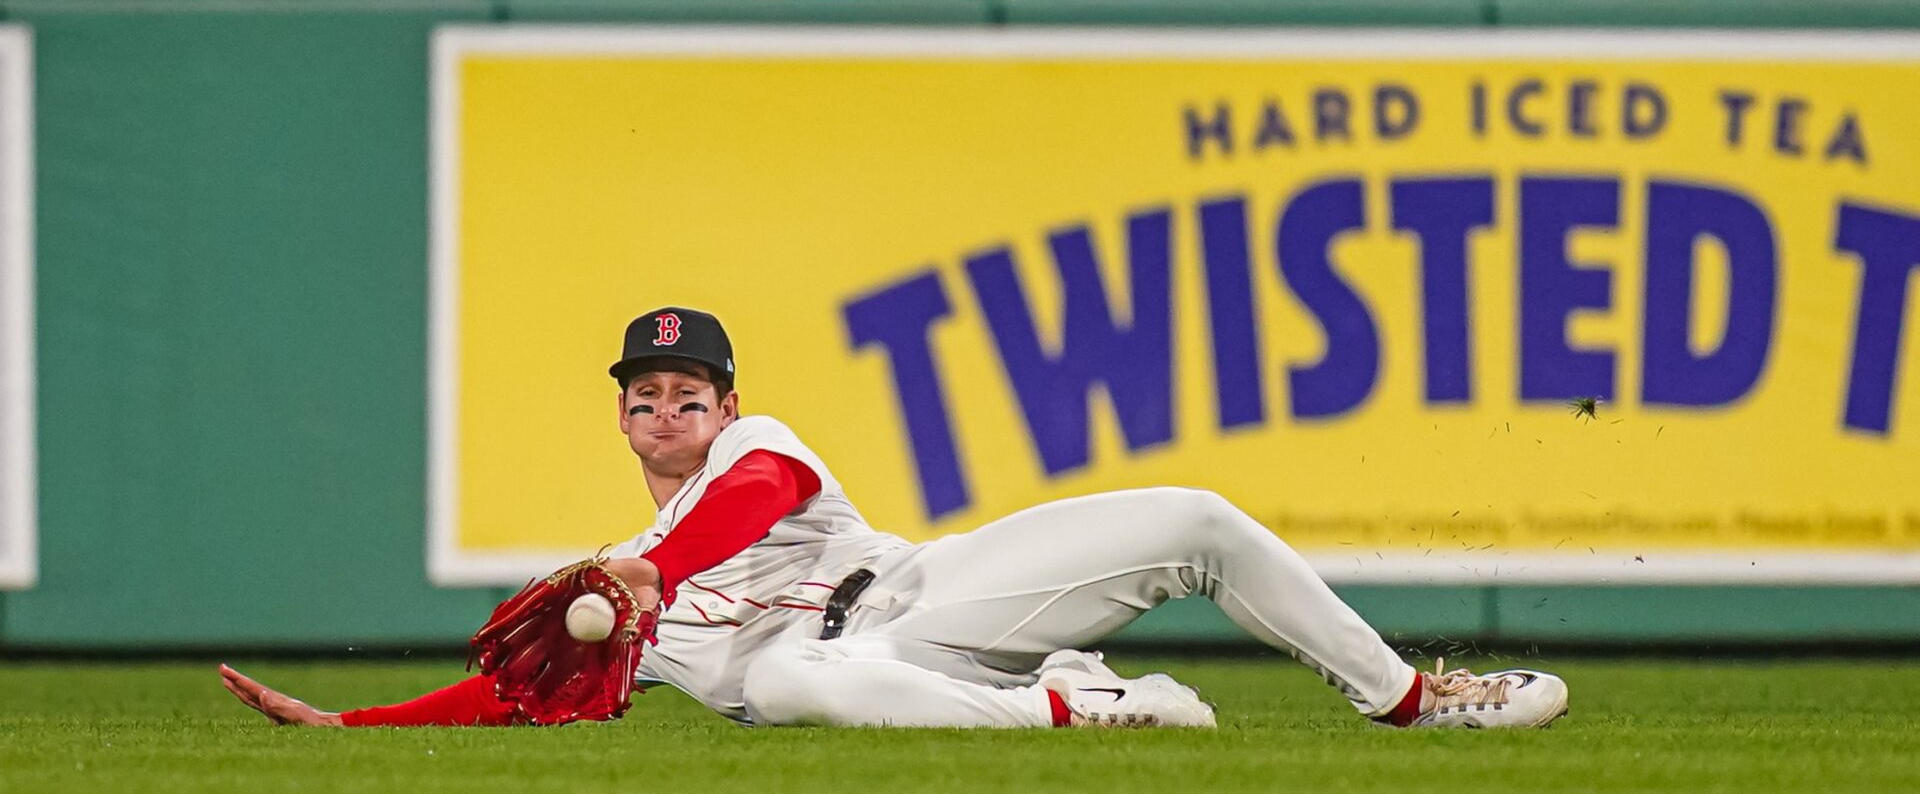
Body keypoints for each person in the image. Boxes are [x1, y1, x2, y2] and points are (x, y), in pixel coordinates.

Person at [220, 307, 1569, 730]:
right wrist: (355, 726)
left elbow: (754, 500)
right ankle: (1078, 704)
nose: (668, 409)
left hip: (940, 596)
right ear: (624, 415)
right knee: (796, 674)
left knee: (1197, 514)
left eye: (687, 389)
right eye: (647, 395)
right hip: (871, 674)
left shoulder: (752, 451)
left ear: (724, 398)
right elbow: (527, 691)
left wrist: (646, 566)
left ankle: (1407, 699)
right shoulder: (635, 599)